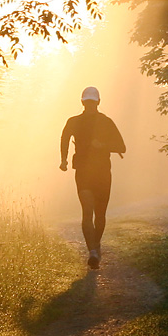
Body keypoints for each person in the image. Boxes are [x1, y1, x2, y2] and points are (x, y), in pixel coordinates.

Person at [60, 86, 126, 269]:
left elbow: (122, 147)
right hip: (87, 172)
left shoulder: (102, 122)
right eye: (88, 102)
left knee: (98, 214)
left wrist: (102, 145)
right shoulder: (79, 121)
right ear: (84, 102)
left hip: (98, 172)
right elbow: (64, 139)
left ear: (95, 102)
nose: (89, 105)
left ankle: (95, 247)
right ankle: (93, 251)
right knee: (90, 212)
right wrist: (63, 160)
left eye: (91, 102)